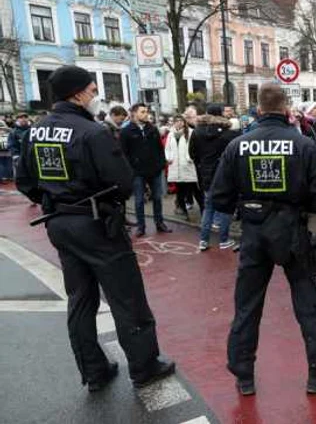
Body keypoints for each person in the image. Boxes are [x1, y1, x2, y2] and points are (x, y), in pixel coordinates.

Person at [15, 65, 175, 392]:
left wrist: (54, 199)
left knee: (80, 298)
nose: (94, 96)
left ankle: (94, 370)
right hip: (96, 222)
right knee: (126, 297)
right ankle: (144, 366)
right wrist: (104, 203)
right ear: (77, 94)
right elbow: (122, 181)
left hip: (59, 222)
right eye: (91, 90)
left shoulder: (36, 131)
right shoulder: (92, 132)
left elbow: (25, 181)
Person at [209, 82, 316, 396]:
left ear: (258, 109)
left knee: (247, 304)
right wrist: (298, 207)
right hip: (292, 231)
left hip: (253, 232)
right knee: (308, 301)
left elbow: (219, 197)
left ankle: (244, 376)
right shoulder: (303, 144)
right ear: (285, 110)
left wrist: (247, 205)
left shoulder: (238, 145)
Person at [188, 104, 239, 251]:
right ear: (221, 114)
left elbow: (193, 154)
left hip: (206, 174)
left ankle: (203, 240)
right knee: (225, 207)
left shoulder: (197, 132)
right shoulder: (228, 133)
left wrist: (202, 165)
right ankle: (223, 239)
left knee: (208, 207)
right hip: (224, 174)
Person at [120, 103, 171, 237]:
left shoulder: (152, 129)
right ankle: (141, 226)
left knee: (157, 198)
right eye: (142, 112)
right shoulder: (126, 131)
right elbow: (123, 154)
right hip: (137, 172)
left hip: (154, 170)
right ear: (134, 113)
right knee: (139, 200)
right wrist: (130, 169)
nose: (146, 114)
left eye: (146, 111)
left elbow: (159, 149)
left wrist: (160, 164)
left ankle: (159, 223)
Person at [165, 115, 203, 221]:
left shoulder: (191, 132)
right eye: (176, 121)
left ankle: (204, 211)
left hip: (188, 165)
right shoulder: (171, 134)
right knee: (180, 191)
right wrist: (169, 158)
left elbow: (195, 147)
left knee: (195, 190)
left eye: (180, 121)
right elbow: (167, 148)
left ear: (184, 122)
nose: (179, 123)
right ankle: (183, 212)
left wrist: (189, 157)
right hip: (175, 166)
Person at [8, 113, 30, 178]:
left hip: (31, 158)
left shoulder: (33, 129)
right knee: (20, 178)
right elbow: (11, 145)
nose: (23, 119)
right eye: (21, 117)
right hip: (19, 158)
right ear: (17, 119)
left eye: (25, 117)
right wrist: (16, 157)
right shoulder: (13, 132)